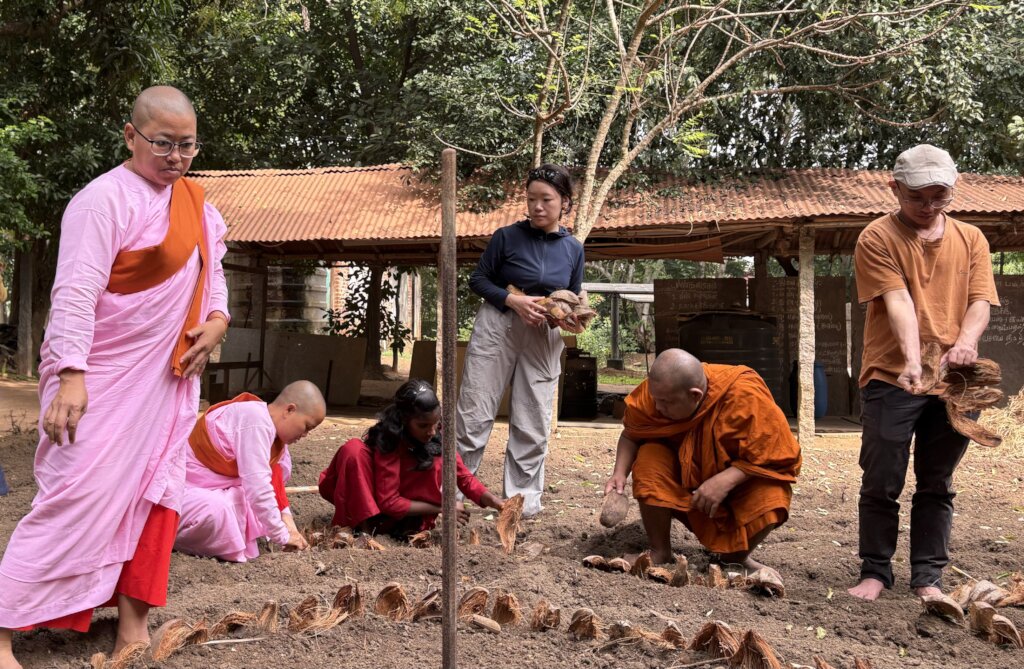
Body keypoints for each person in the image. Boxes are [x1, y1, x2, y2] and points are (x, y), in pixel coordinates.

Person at [0, 85, 229, 669]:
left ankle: (132, 624)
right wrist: (72, 373)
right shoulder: (101, 202)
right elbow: (75, 292)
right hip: (99, 379)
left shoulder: (199, 208)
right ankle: (2, 632)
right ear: (131, 136)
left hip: (167, 386)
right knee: (73, 497)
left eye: (187, 145)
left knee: (157, 498)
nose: (176, 157)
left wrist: (219, 321)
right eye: (163, 144)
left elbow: (214, 276)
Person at [847, 145, 1000, 602]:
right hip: (892, 376)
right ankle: (875, 572)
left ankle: (927, 579)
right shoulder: (876, 237)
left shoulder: (971, 238)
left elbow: (979, 301)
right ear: (894, 188)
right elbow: (898, 302)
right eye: (919, 197)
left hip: (954, 381)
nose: (930, 206)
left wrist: (966, 343)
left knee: (937, 482)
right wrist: (914, 361)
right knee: (882, 478)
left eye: (941, 196)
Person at [455, 164, 585, 517]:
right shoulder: (506, 237)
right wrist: (512, 300)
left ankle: (522, 502)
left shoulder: (573, 248)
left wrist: (570, 316)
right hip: (499, 324)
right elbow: (478, 280)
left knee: (533, 419)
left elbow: (571, 294)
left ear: (565, 203)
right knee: (475, 412)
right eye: (531, 199)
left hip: (543, 333)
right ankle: (454, 494)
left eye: (546, 199)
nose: (538, 207)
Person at [604, 349, 802, 572]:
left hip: (736, 485)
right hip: (681, 478)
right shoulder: (656, 393)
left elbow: (776, 453)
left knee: (773, 494)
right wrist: (619, 473)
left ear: (695, 395)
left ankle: (734, 558)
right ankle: (659, 551)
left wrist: (726, 479)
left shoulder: (744, 395)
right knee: (649, 457)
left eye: (666, 403)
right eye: (655, 399)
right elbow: (632, 434)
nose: (658, 407)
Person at [319, 380, 504, 536]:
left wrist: (495, 502)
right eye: (423, 426)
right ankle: (364, 530)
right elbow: (389, 502)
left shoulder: (436, 433)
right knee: (353, 449)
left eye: (436, 423)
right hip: (379, 512)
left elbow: (462, 476)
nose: (431, 431)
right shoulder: (389, 440)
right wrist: (444, 507)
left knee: (438, 460)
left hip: (411, 520)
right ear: (404, 421)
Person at [173, 381, 327, 562]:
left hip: (216, 491)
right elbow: (258, 487)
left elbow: (274, 488)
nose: (305, 435)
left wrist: (289, 526)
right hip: (186, 491)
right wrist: (282, 536)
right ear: (290, 410)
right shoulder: (255, 421)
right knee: (219, 510)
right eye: (307, 427)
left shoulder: (277, 442)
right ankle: (180, 542)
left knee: (244, 504)